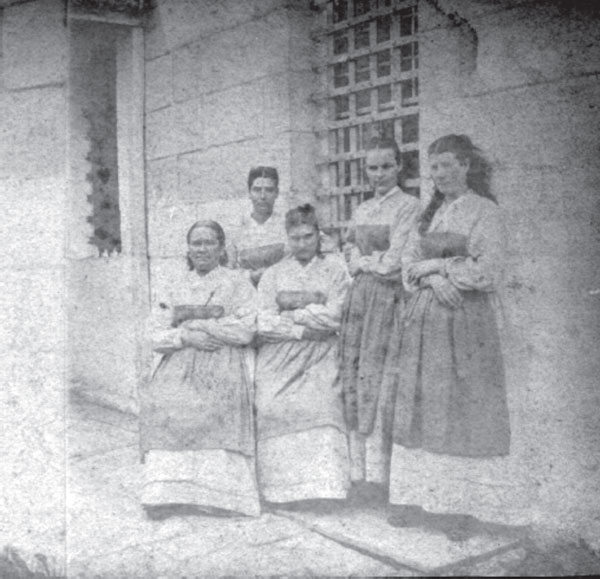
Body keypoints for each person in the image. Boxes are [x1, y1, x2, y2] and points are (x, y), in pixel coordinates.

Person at [382, 134, 512, 540]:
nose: (438, 174)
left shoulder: (483, 211)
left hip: (464, 321)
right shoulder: (430, 213)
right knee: (419, 404)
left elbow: (488, 269)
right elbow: (407, 263)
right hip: (423, 322)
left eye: (446, 165)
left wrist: (437, 270)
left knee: (458, 405)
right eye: (433, 167)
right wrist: (432, 277)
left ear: (467, 166)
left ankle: (460, 508)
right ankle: (414, 498)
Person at [139, 220, 260, 519]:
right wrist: (184, 336)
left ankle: (221, 497)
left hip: (223, 358)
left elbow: (246, 330)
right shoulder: (174, 284)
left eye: (209, 243)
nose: (202, 249)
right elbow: (153, 332)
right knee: (163, 400)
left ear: (221, 248)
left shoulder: (237, 283)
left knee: (217, 405)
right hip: (180, 360)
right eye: (196, 243)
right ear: (188, 249)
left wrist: (203, 325)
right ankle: (166, 493)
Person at [339, 136, 421, 499]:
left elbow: (395, 262)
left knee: (384, 383)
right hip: (359, 302)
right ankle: (360, 476)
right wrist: (360, 261)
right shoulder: (362, 210)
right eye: (372, 168)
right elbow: (348, 250)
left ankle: (383, 480)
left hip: (389, 302)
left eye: (387, 166)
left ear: (400, 166)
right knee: (357, 378)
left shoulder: (410, 207)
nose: (379, 174)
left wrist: (363, 263)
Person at [255, 204, 351, 504]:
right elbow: (263, 320)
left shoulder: (336, 271)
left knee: (322, 402)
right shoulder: (273, 274)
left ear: (318, 236)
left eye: (308, 237)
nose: (301, 244)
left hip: (322, 351)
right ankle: (282, 490)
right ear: (287, 238)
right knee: (272, 403)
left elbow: (338, 315)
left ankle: (323, 490)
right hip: (280, 352)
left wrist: (293, 313)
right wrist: (304, 324)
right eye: (295, 238)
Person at [228, 166, 287, 286]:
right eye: (257, 190)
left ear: (277, 193)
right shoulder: (236, 229)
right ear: (249, 193)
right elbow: (228, 271)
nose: (263, 196)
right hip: (246, 292)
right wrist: (250, 276)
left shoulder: (288, 225)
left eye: (269, 190)